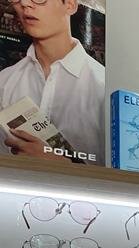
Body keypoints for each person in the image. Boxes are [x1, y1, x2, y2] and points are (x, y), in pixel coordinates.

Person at [0, 0, 104, 163]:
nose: (25, 4)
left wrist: (59, 165)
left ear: (70, 4)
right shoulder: (4, 82)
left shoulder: (104, 86)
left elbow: (130, 173)